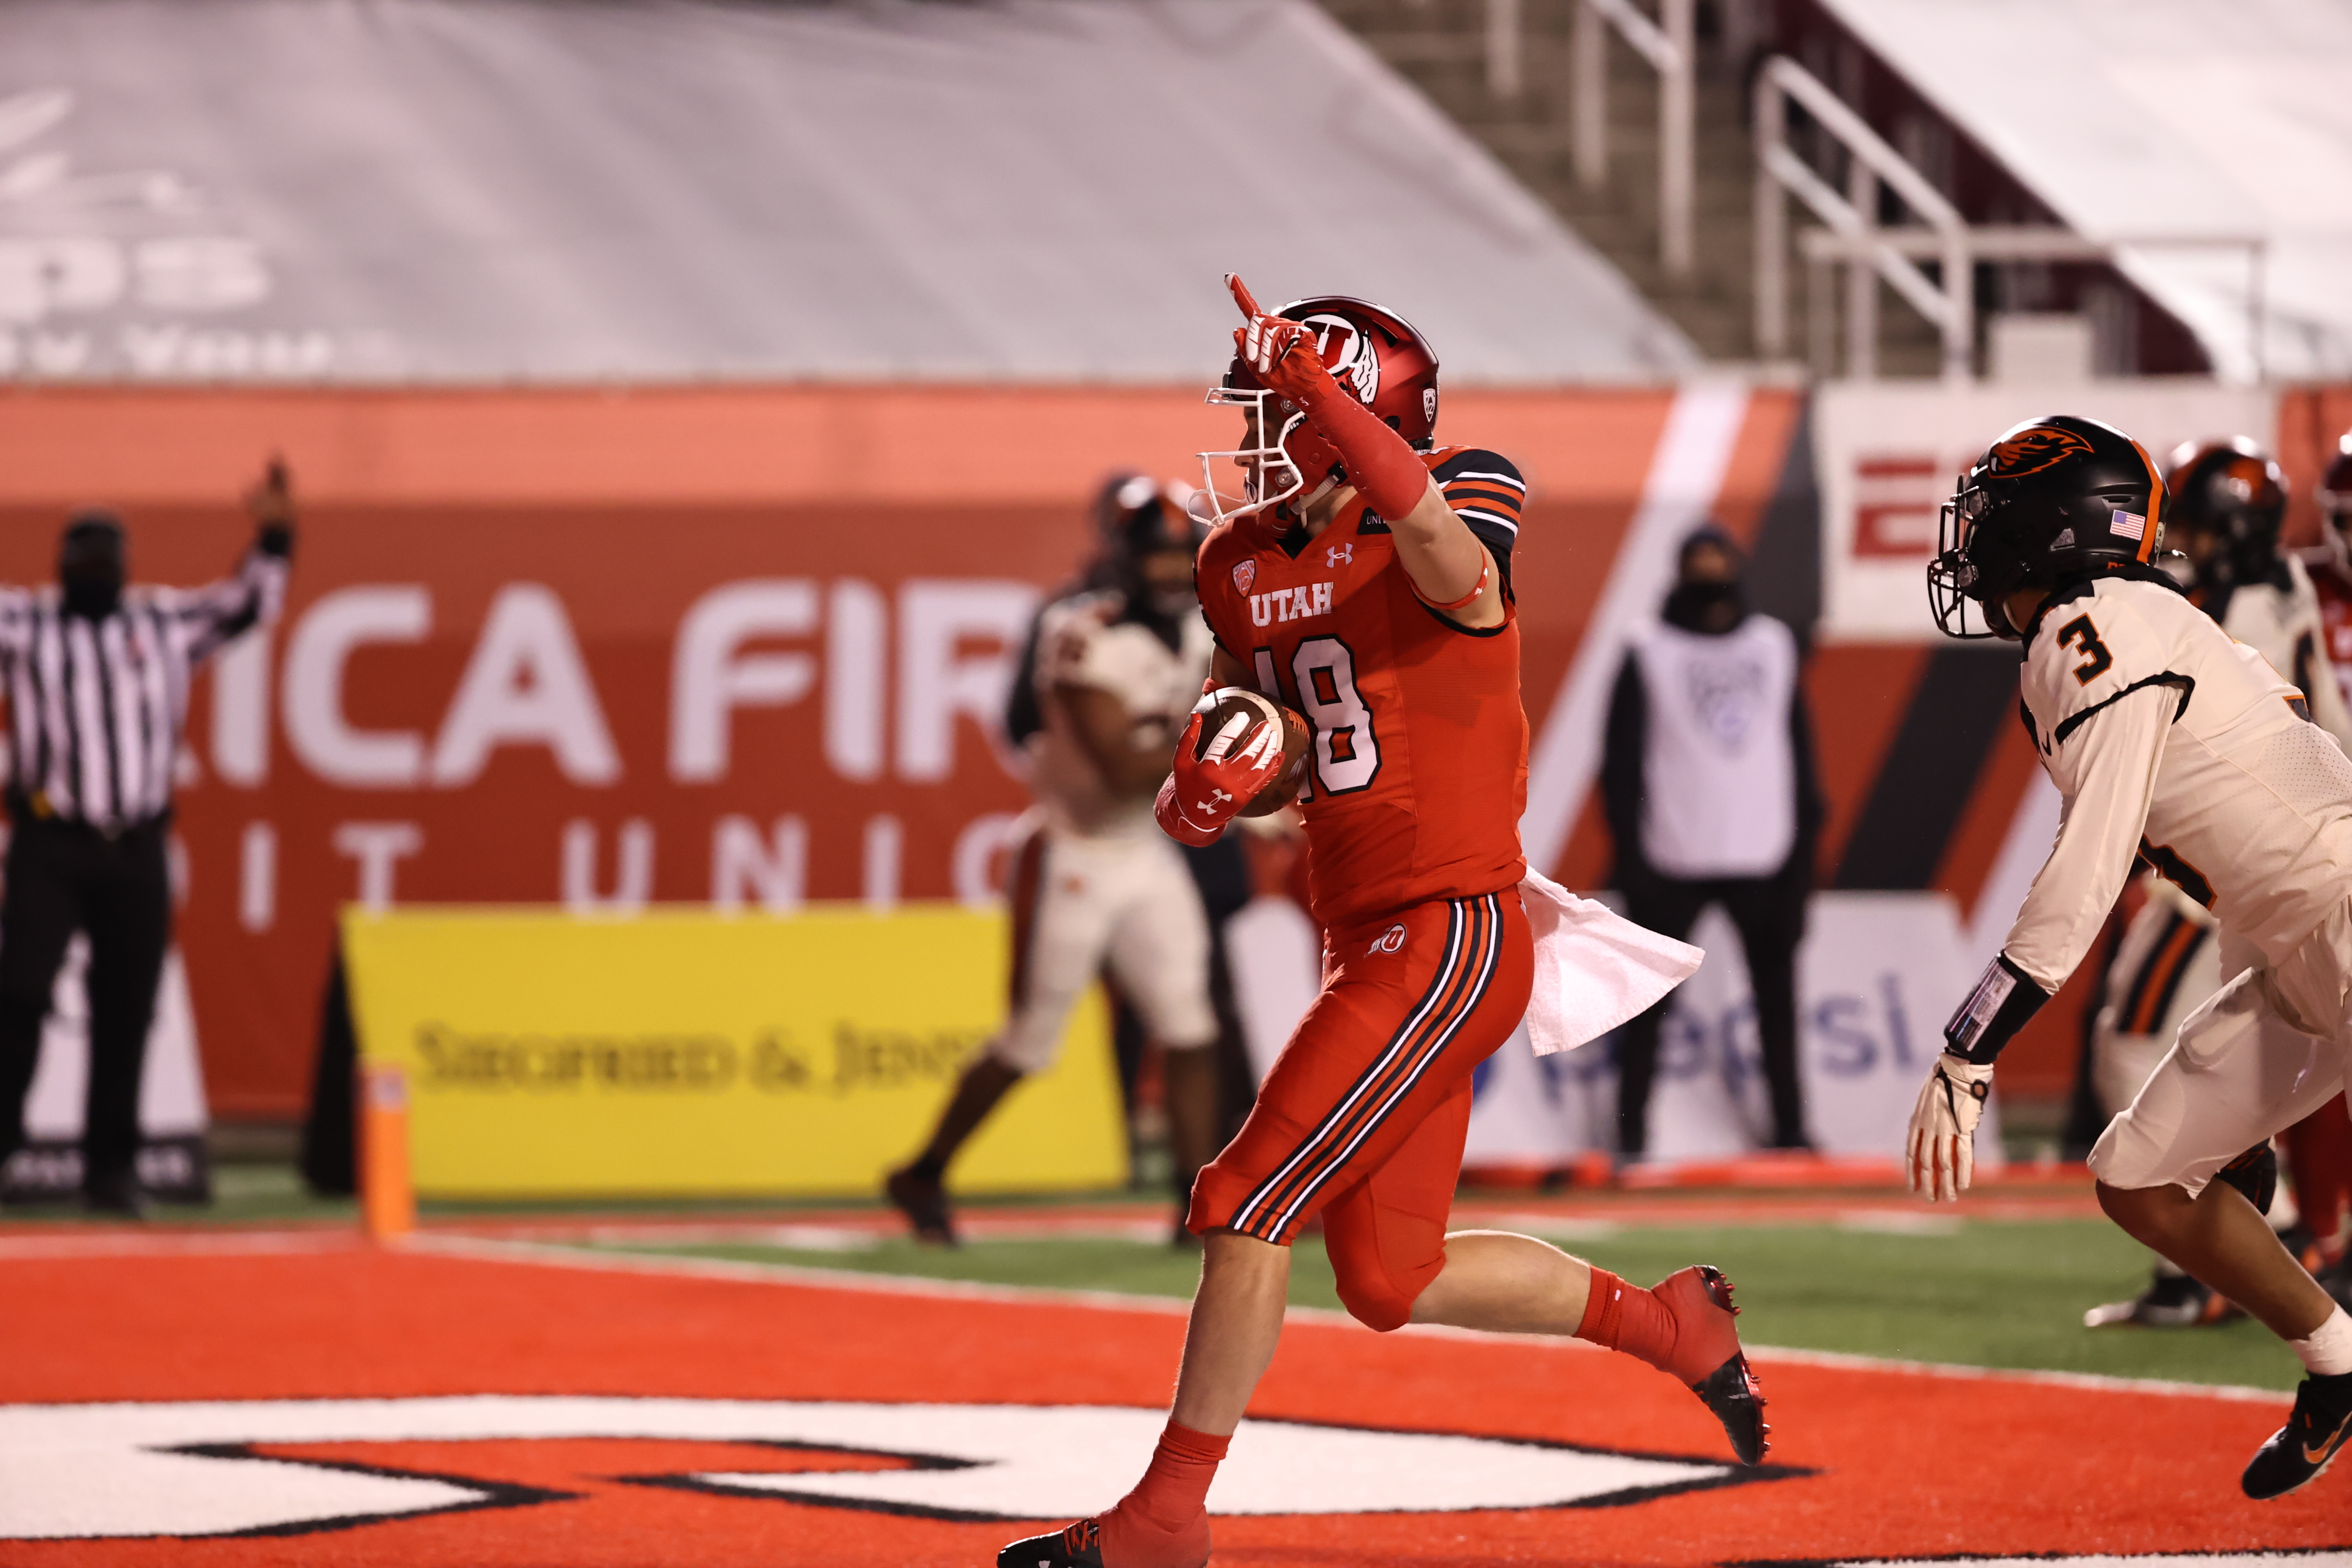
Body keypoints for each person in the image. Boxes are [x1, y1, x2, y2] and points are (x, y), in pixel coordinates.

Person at [998, 279, 1762, 1568]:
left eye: (1272, 413)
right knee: (1388, 1281)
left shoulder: (1464, 486)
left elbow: (1456, 570)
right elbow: (1304, 738)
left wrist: (1335, 410)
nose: (1247, 441)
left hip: (1452, 925)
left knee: (1243, 1202)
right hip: (1369, 930)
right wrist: (1227, 772)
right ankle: (1674, 1326)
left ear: (1341, 414)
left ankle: (1164, 1522)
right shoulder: (1237, 562)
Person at [1909, 413, 2352, 1501]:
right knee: (2139, 1177)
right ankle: (2340, 1361)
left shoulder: (2089, 627)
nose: (1971, 551)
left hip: (2339, 911)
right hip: (2296, 943)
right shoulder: (2103, 629)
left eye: (1989, 525)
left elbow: (2092, 863)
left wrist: (1972, 1048)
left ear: (2045, 533)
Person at [887, 478, 1221, 1246]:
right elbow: (1120, 766)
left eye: (1182, 557)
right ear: (1124, 560)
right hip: (1073, 853)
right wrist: (1221, 740)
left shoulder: (1207, 627)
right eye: (1159, 559)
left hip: (1145, 849)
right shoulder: (1083, 631)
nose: (1173, 573)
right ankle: (925, 1171)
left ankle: (1197, 1204)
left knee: (1191, 1027)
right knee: (1030, 1042)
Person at [2082, 438, 2350, 1327]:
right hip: (2283, 858)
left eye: (2197, 526)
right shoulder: (2279, 593)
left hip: (2253, 865)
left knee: (2137, 1033)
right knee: (2256, 1054)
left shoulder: (2247, 607)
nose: (2183, 541)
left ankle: (2230, 1253)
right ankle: (2259, 1244)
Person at [0, 462, 295, 1216]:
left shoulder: (162, 623)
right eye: (83, 560)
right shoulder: (28, 623)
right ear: (61, 567)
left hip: (136, 844)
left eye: (105, 560)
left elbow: (250, 604)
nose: (95, 572)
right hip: (51, 840)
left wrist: (275, 534)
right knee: (20, 995)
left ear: (125, 568)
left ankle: (111, 1171)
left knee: (128, 1006)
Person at [1601, 525, 1822, 1158]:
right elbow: (1620, 762)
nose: (1710, 576)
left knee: (1778, 1004)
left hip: (1766, 851)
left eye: (1718, 562)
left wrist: (1805, 853)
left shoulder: (1773, 644)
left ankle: (1791, 1132)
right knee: (1648, 1006)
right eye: (1698, 564)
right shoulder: (1646, 647)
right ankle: (1631, 1132)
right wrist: (1631, 857)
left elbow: (1799, 753)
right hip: (1673, 853)